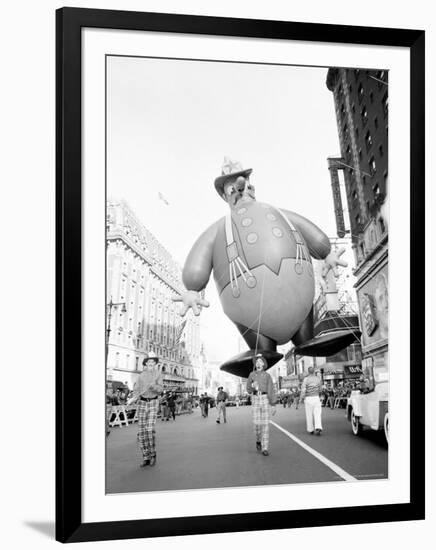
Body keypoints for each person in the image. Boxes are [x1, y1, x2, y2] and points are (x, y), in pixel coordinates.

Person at [126, 352, 163, 467]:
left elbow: (161, 389)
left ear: (155, 363)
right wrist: (134, 397)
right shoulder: (141, 375)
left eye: (153, 361)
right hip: (142, 402)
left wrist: (154, 387)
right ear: (146, 363)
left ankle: (153, 454)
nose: (151, 363)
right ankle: (146, 457)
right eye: (149, 361)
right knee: (142, 431)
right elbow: (136, 389)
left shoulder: (158, 374)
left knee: (149, 429)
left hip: (153, 402)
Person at [246, 353, 277, 456]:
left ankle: (265, 447)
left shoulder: (267, 376)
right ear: (255, 364)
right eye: (257, 361)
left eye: (260, 361)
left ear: (264, 364)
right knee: (257, 424)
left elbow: (271, 389)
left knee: (265, 424)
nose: (258, 363)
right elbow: (248, 389)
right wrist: (252, 385)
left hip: (264, 399)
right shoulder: (251, 374)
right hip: (255, 399)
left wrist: (273, 404)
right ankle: (258, 440)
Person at [300, 366, 323, 435]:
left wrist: (301, 398)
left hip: (308, 398)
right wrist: (320, 396)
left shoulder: (306, 379)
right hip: (316, 397)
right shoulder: (318, 379)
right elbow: (320, 389)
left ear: (308, 372)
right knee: (317, 414)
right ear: (314, 371)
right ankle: (318, 427)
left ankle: (310, 429)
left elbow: (303, 390)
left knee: (309, 414)